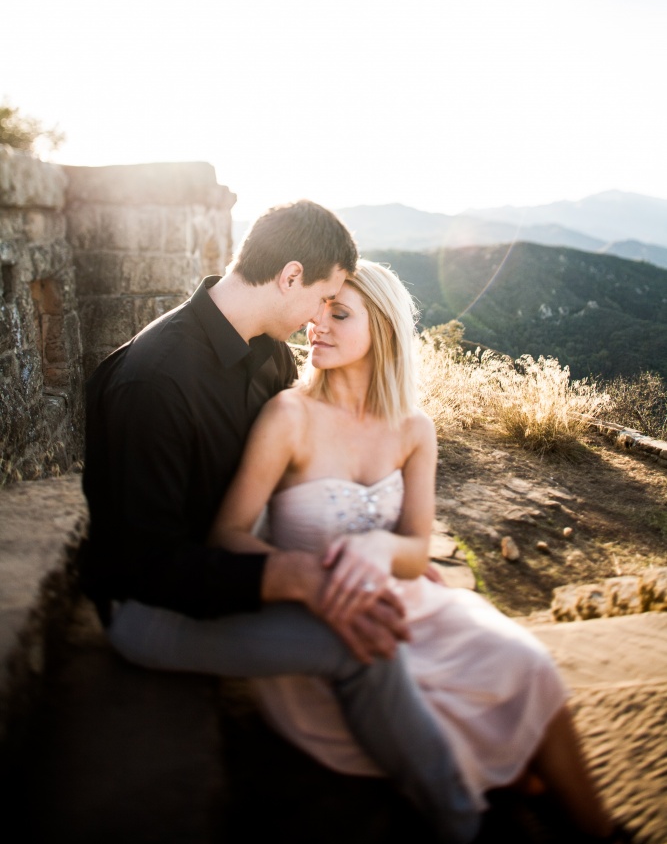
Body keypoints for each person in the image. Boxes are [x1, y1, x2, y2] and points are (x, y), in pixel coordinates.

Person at [81, 200, 480, 844]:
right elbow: (146, 569)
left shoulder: (268, 355)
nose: (319, 318)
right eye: (322, 297)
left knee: (388, 608)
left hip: (237, 563)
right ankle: (459, 819)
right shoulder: (153, 382)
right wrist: (295, 580)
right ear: (290, 275)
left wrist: (367, 554)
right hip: (149, 610)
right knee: (363, 648)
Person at [208, 258, 626, 844]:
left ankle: (601, 832)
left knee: (528, 666)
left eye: (339, 313)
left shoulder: (413, 428)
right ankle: (514, 791)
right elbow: (227, 537)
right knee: (426, 711)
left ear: (382, 329)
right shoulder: (289, 417)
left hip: (409, 604)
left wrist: (383, 546)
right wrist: (296, 579)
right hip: (325, 624)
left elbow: (413, 550)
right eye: (317, 310)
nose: (316, 325)